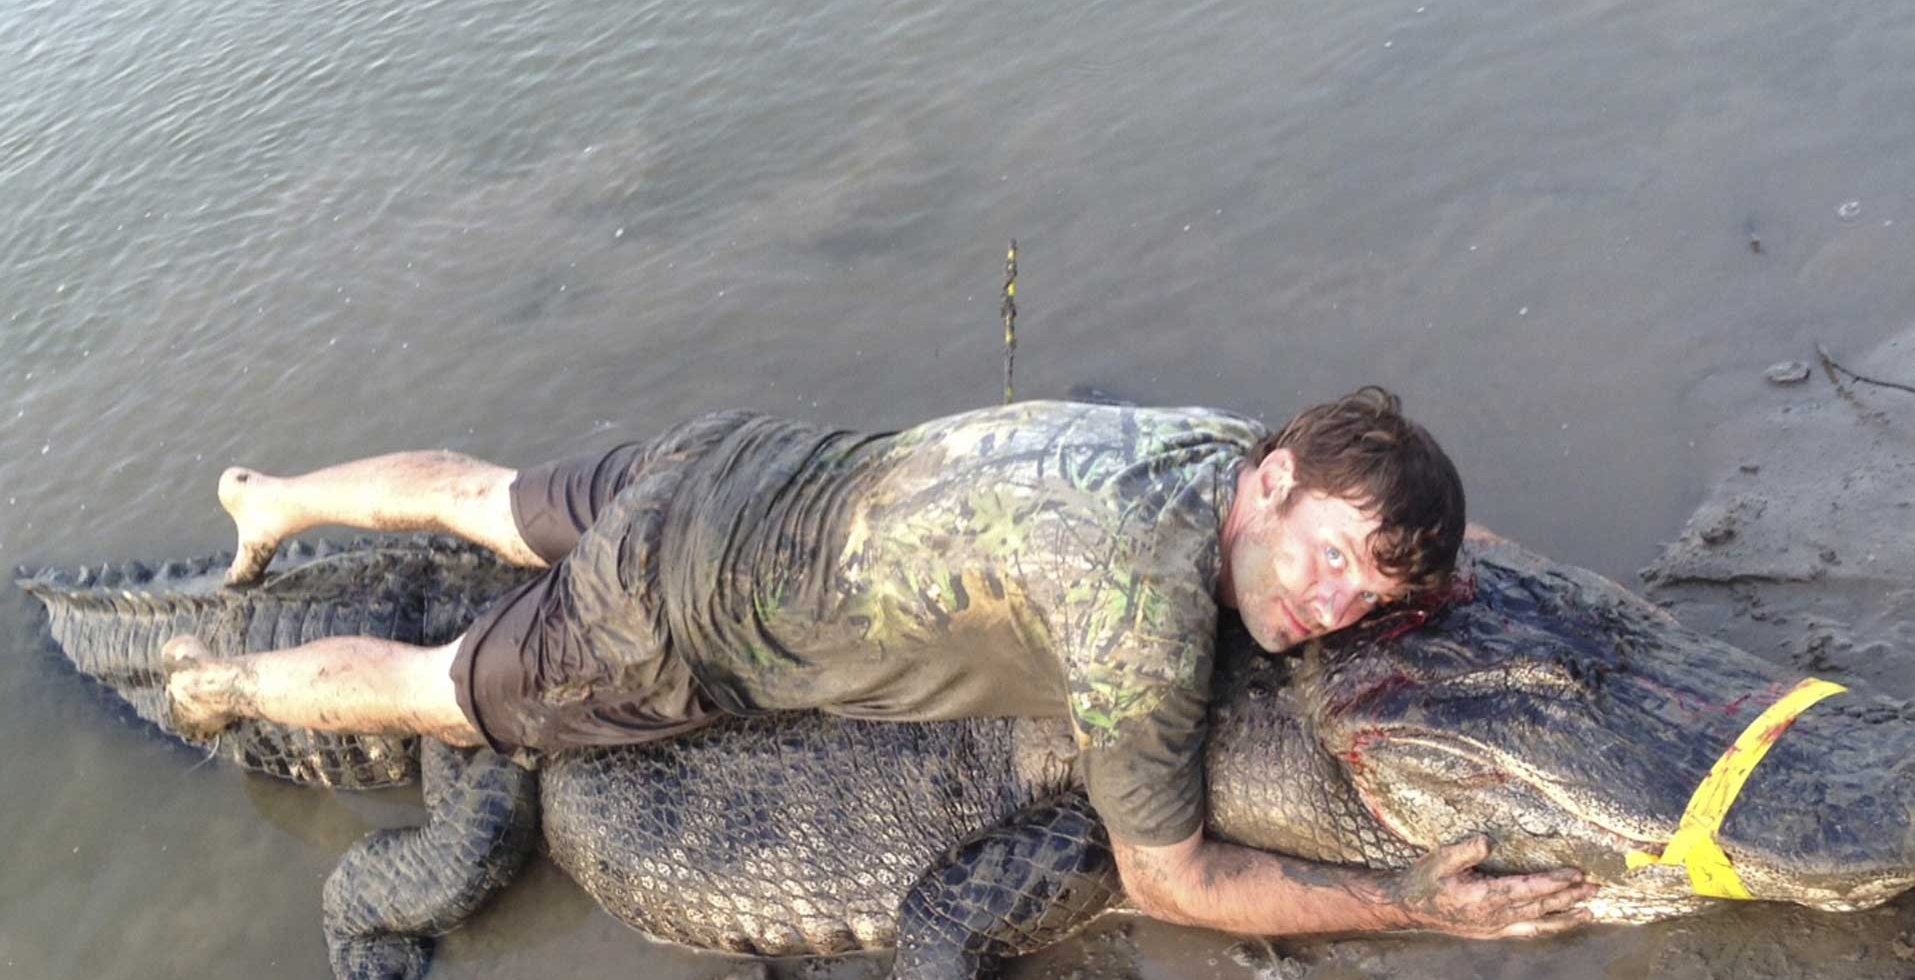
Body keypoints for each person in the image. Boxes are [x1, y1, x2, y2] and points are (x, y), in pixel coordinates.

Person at [163, 390, 1587, 940]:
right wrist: (1411, 906)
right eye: (1332, 559)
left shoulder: (1206, 445)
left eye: (1373, 591)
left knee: (483, 494)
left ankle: (272, 491)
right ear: (1275, 487)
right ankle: (219, 683)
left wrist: (1422, 562)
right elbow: (1170, 878)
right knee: (436, 694)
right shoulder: (1140, 629)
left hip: (739, 458)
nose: (1335, 607)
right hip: (687, 613)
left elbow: (1355, 559)